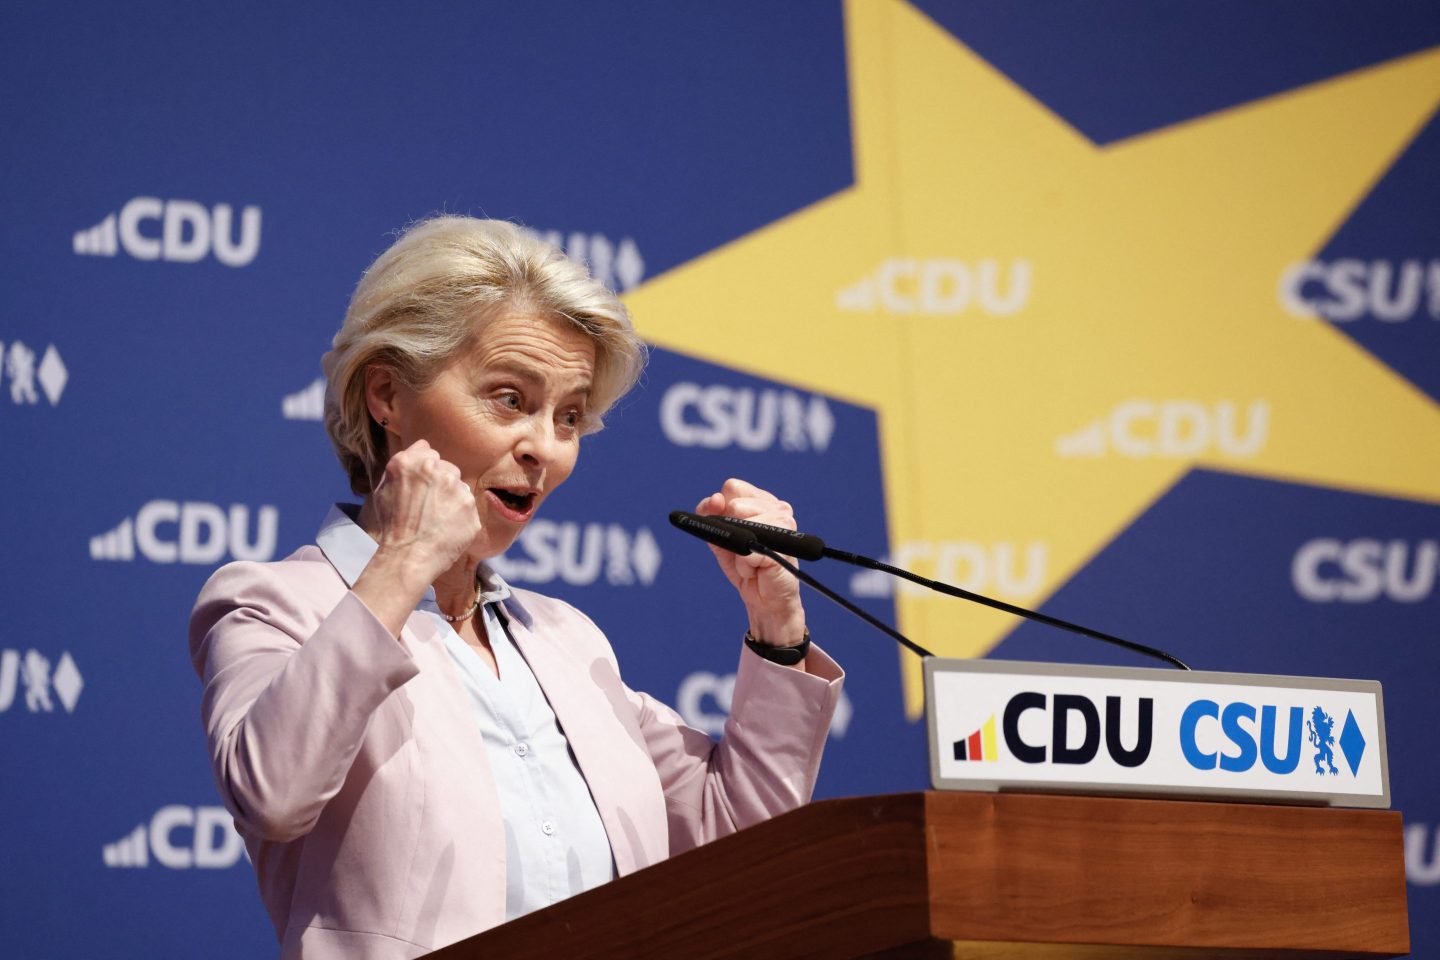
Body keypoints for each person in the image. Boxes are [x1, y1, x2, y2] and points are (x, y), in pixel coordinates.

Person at [188, 216, 844, 960]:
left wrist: (777, 625)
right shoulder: (276, 604)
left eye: (569, 417)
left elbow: (738, 841)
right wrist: (403, 560)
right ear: (386, 395)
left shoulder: (567, 641)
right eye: (508, 399)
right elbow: (273, 794)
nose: (545, 450)